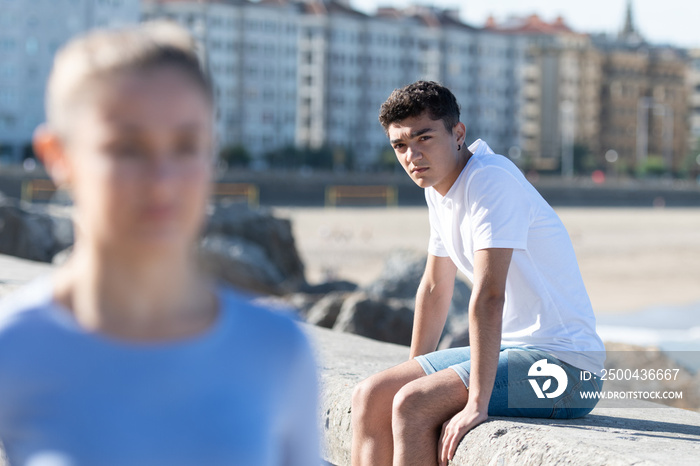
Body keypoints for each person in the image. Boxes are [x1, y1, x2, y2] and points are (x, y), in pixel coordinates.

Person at [0, 23, 318, 466]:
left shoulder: (277, 350)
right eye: (127, 148)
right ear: (58, 155)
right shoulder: (14, 348)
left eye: (187, 145)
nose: (162, 181)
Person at [351, 81, 605, 466]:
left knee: (413, 404)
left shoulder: (491, 179)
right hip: (511, 351)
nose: (412, 155)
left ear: (457, 133)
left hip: (566, 368)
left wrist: (476, 402)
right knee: (371, 395)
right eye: (400, 145)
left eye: (424, 137)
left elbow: (489, 295)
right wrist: (413, 370)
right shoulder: (437, 187)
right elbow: (436, 287)